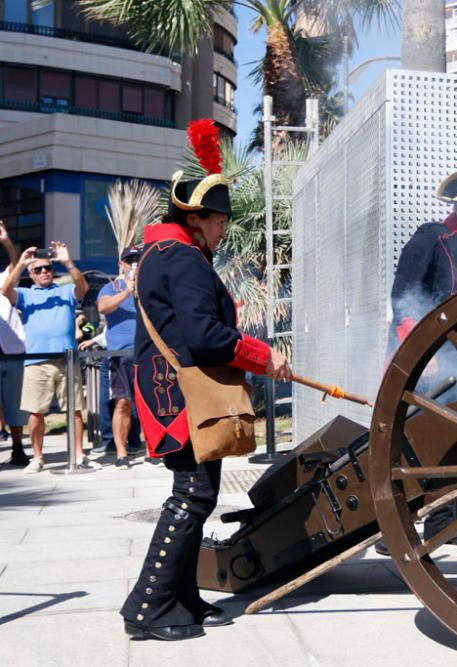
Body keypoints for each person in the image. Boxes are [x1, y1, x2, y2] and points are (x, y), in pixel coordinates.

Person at [120, 119, 290, 642]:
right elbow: (206, 335)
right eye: (217, 221)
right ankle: (146, 606)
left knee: (198, 492)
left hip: (172, 390)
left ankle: (181, 596)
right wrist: (264, 356)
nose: (222, 230)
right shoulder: (185, 259)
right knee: (191, 495)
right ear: (194, 219)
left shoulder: (166, 254)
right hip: (180, 395)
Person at [379, 153, 457, 554]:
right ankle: (393, 529)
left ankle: (441, 523)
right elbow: (404, 298)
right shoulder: (430, 238)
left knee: (450, 443)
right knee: (413, 445)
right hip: (423, 360)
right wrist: (419, 351)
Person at [1, 240, 89, 473]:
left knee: (75, 409)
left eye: (47, 268)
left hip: (66, 360)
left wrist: (67, 262)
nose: (44, 272)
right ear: (31, 273)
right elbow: (5, 290)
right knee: (35, 411)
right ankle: (37, 457)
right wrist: (20, 263)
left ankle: (79, 455)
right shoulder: (26, 294)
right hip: (36, 360)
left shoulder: (64, 290)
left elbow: (83, 288)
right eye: (38, 269)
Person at [96, 245, 143, 470]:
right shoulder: (111, 287)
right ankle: (122, 454)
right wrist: (126, 291)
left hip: (147, 354)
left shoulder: (149, 287)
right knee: (123, 402)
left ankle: (154, 450)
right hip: (121, 354)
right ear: (121, 264)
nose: (133, 264)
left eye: (137, 260)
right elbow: (103, 307)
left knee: (151, 404)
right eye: (129, 260)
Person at [0, 221, 29, 466]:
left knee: (14, 403)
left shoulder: (3, 280)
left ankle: (18, 447)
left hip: (10, 351)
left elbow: (15, 261)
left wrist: (5, 240)